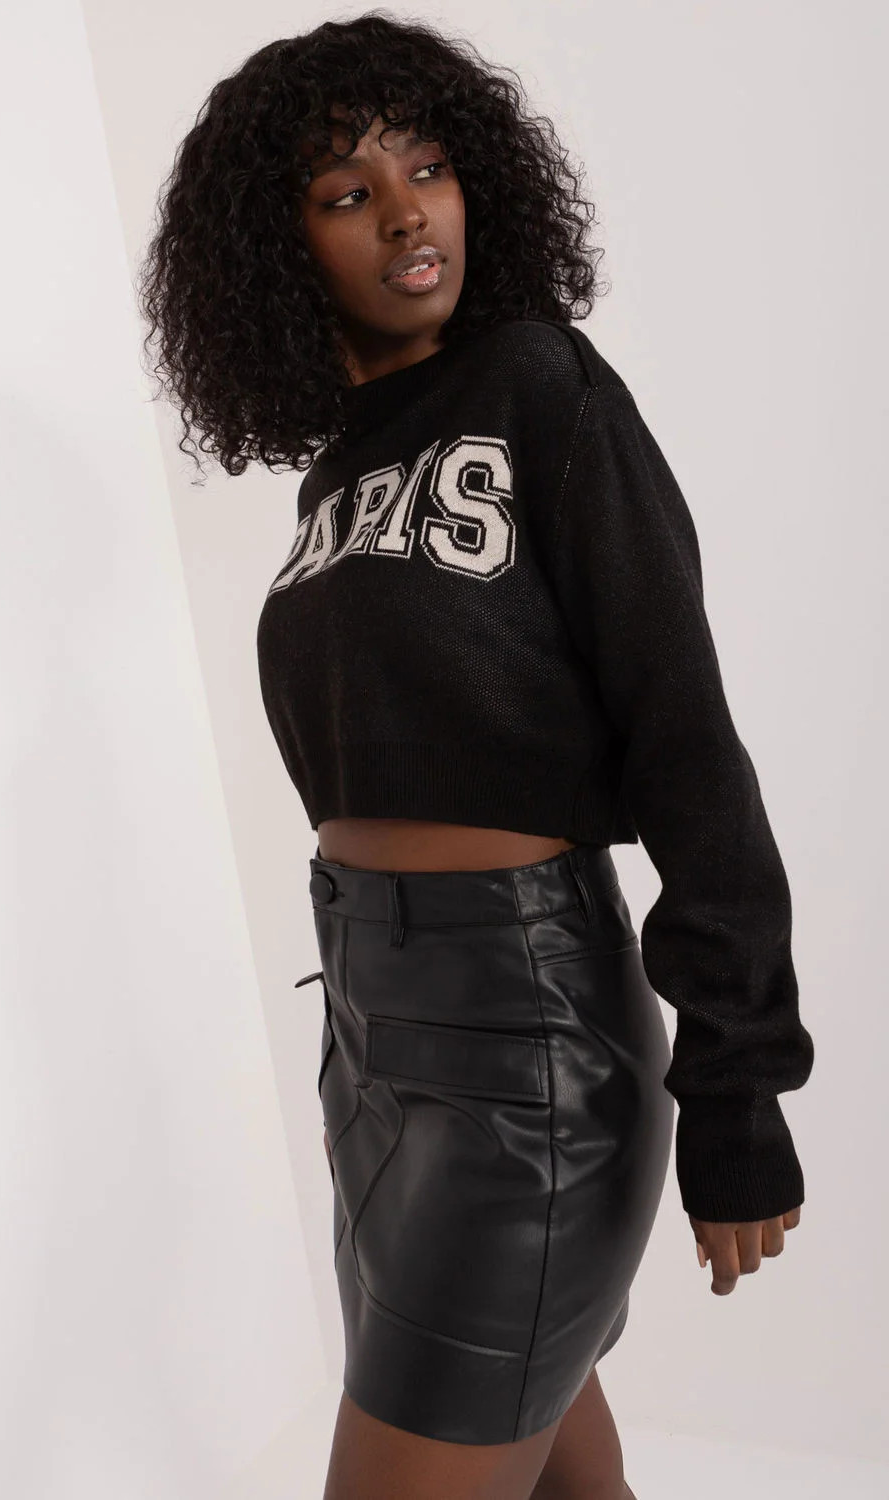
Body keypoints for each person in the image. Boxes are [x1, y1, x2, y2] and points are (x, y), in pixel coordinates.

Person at [136, 14, 815, 1500]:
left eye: (429, 169)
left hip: (527, 1040)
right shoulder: (339, 470)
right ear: (278, 250)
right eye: (346, 192)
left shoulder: (538, 384)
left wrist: (739, 1085)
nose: (404, 213)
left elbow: (686, 730)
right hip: (371, 1042)